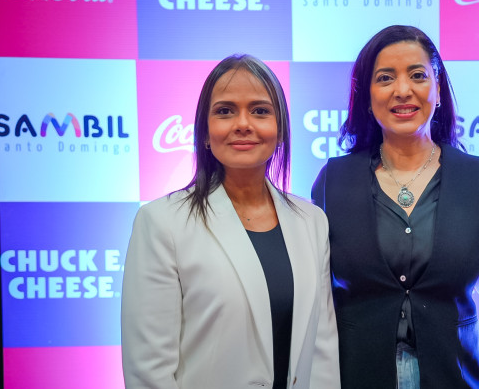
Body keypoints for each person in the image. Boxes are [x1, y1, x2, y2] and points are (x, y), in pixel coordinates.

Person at [121, 55, 339, 388]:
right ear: (205, 132)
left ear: (279, 130)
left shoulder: (312, 222)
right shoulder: (161, 223)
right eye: (224, 111)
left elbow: (322, 353)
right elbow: (148, 370)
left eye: (260, 110)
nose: (243, 123)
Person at [311, 25, 479, 388]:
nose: (403, 90)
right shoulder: (333, 181)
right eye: (385, 78)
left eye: (418, 75)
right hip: (357, 376)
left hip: (456, 377)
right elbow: (314, 296)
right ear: (366, 97)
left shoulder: (477, 179)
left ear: (439, 88)